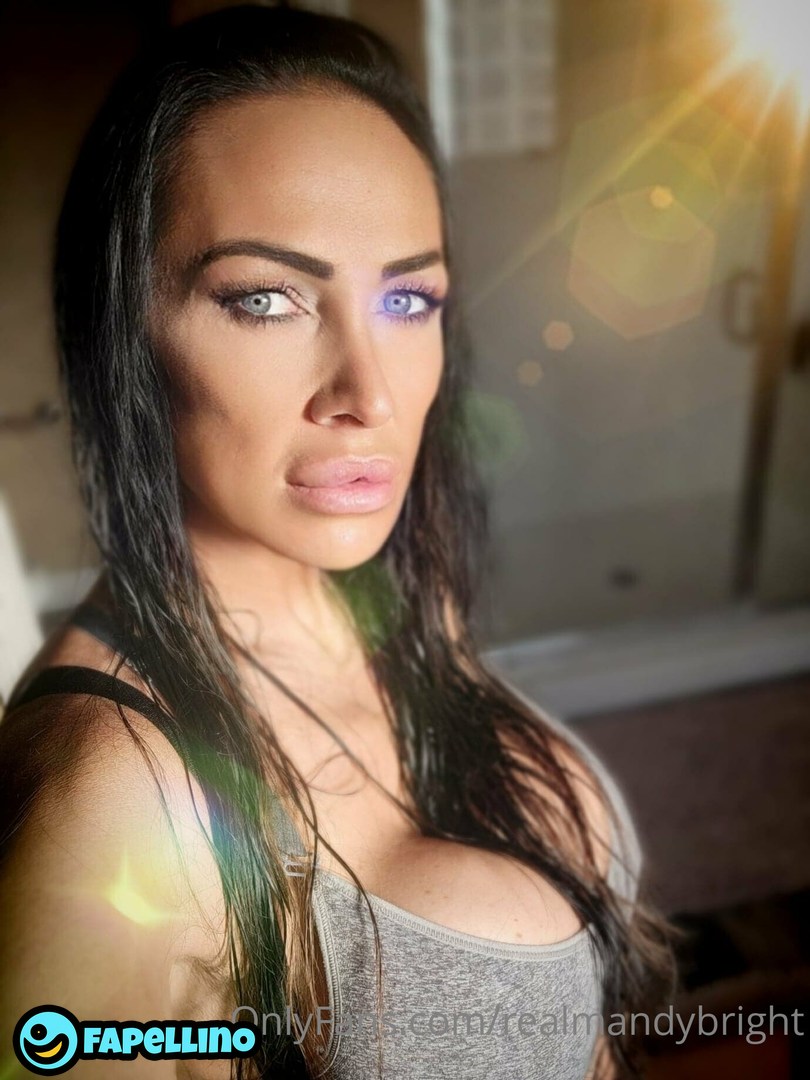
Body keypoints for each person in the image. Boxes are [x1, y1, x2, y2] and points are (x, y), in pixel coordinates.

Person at [0, 5, 678, 1078]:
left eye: (408, 298)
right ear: (127, 331)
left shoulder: (380, 598)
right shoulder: (114, 794)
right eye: (267, 300)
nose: (371, 393)